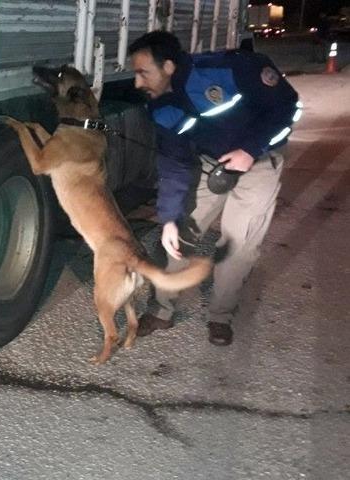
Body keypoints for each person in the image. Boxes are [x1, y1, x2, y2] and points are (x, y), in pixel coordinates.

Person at [126, 31, 300, 346]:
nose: (137, 83)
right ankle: (162, 309)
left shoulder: (230, 69)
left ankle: (221, 316)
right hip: (211, 164)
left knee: (238, 244)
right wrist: (169, 217)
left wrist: (251, 149)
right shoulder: (161, 106)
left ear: (168, 66)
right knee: (179, 234)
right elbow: (174, 164)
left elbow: (287, 106)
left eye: (143, 73)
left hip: (259, 162)